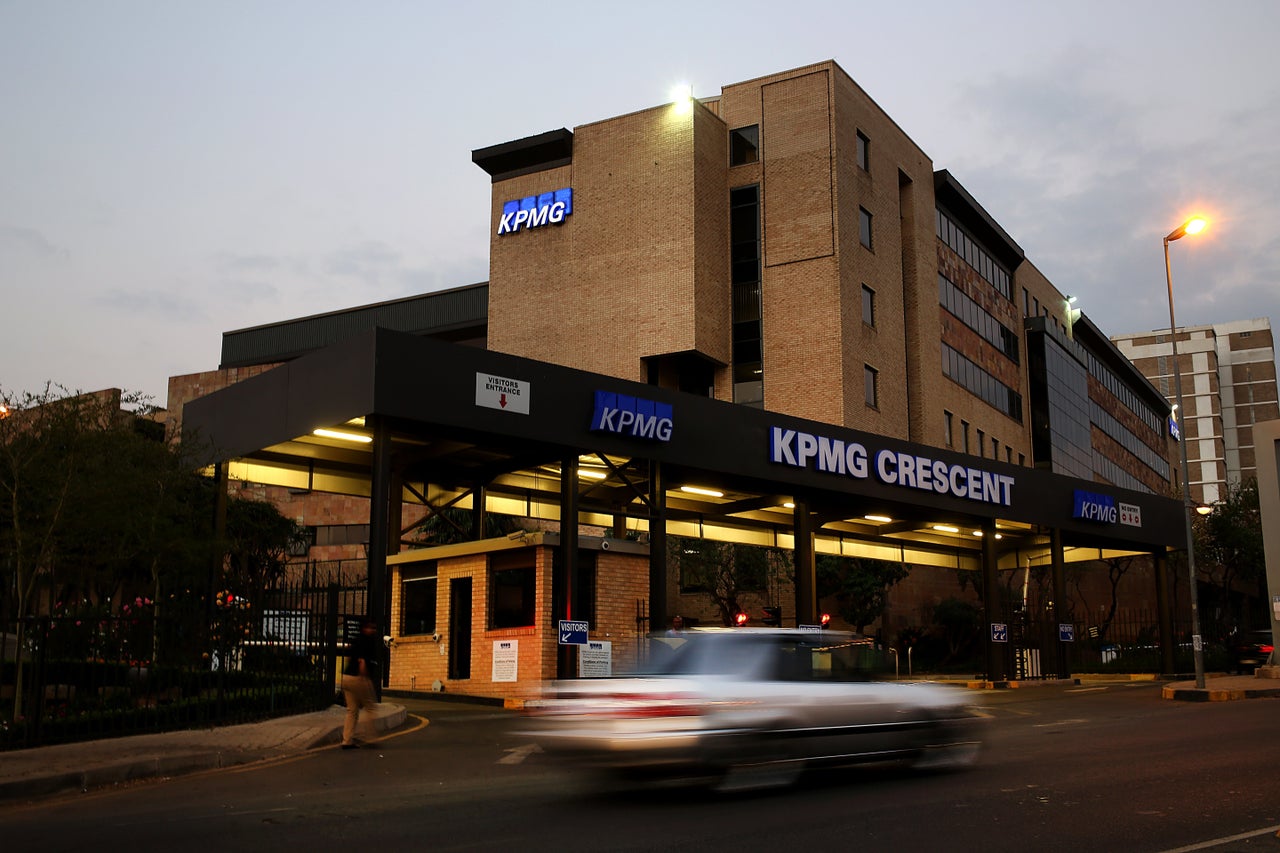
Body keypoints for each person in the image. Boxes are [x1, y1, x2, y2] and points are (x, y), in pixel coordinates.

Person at [341, 619, 380, 749]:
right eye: (371, 627)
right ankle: (368, 737)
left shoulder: (355, 640)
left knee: (352, 710)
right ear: (365, 628)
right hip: (358, 678)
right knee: (370, 707)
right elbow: (362, 661)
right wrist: (364, 678)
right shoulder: (367, 641)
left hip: (346, 677)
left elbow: (348, 657)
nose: (373, 630)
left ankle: (347, 740)